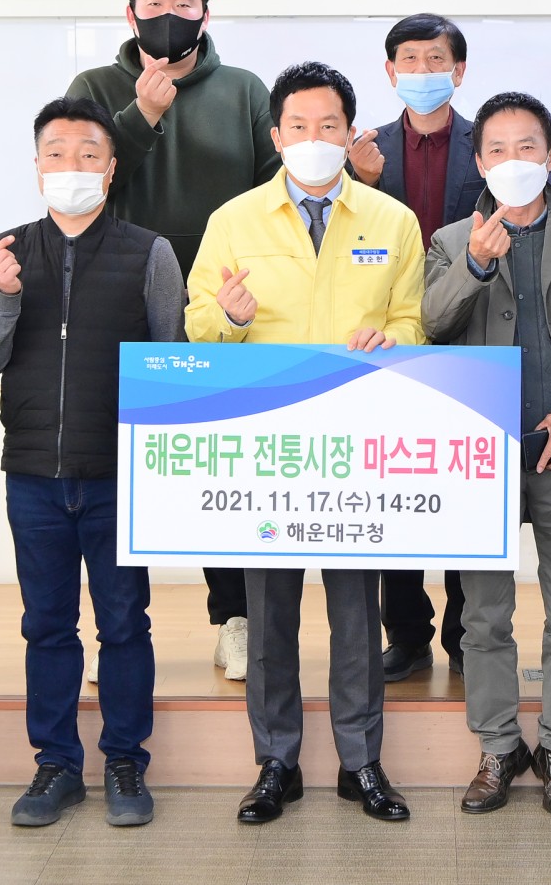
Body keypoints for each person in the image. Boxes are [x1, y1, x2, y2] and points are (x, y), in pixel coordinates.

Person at [185, 61, 426, 824]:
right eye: (299, 125)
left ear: (351, 133)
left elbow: (415, 320)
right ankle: (276, 761)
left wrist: (392, 338)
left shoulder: (392, 220)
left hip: (356, 442)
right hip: (269, 446)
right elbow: (198, 328)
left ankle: (362, 761)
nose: (313, 137)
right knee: (269, 614)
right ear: (276, 135)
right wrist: (229, 317)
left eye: (329, 125)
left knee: (357, 611)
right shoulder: (234, 220)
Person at [0, 97, 184, 828]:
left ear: (111, 169)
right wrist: (2, 295)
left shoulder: (149, 252)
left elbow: (173, 359)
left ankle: (125, 760)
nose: (72, 166)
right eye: (56, 153)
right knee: (47, 625)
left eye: (89, 154)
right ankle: (55, 763)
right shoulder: (4, 252)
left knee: (124, 623)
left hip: (118, 475)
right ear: (37, 167)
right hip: (32, 475)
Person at [67, 0, 281, 681]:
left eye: (182, 4)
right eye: (154, 3)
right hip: (119, 299)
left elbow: (273, 194)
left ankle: (235, 621)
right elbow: (81, 179)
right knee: (120, 472)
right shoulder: (95, 86)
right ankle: (119, 631)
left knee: (223, 463)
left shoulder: (245, 90)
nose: (168, 16)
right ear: (130, 15)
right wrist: (142, 115)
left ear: (205, 15)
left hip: (227, 305)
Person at [422, 92, 551, 818]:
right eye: (498, 148)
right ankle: (496, 747)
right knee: (483, 617)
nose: (513, 160)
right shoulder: (452, 240)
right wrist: (475, 266)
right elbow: (431, 325)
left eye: (527, 146)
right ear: (480, 161)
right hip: (481, 456)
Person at [346, 12, 484, 681]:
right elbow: (347, 236)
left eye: (435, 59)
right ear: (389, 70)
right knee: (394, 490)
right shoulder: (363, 151)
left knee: (462, 490)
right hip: (391, 333)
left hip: (470, 330)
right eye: (409, 59)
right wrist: (364, 182)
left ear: (458, 71)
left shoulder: (489, 143)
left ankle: (464, 635)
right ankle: (405, 633)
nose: (422, 70)